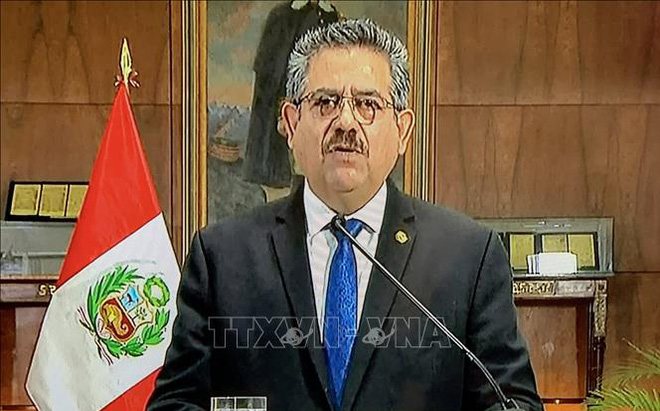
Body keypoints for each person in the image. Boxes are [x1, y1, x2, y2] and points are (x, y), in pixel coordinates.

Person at [148, 19, 542, 411]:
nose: (347, 123)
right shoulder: (221, 257)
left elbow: (514, 402)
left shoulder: (468, 258)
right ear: (290, 123)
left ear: (403, 131)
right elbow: (174, 404)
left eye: (368, 104)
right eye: (326, 103)